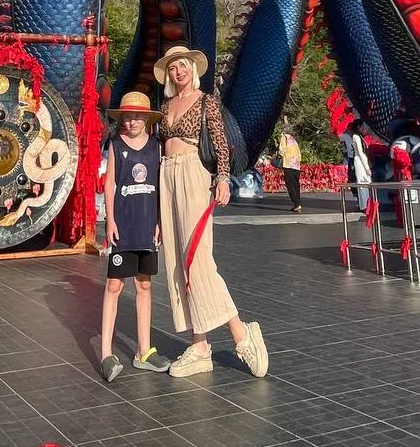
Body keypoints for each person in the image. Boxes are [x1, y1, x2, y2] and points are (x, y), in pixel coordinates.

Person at [154, 44, 268, 378]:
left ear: (193, 68)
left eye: (183, 66)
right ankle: (200, 344)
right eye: (173, 68)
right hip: (167, 174)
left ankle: (240, 332)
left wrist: (222, 178)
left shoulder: (206, 102)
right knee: (176, 261)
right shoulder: (166, 104)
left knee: (197, 258)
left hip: (193, 172)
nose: (179, 72)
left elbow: (220, 144)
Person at [99, 91, 171, 382]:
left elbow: (160, 185)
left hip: (147, 227)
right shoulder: (116, 145)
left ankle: (144, 351)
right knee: (114, 286)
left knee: (144, 285)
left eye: (137, 116)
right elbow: (110, 184)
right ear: (122, 119)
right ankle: (106, 353)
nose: (132, 121)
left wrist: (160, 222)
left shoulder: (156, 147)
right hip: (123, 227)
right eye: (127, 117)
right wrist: (110, 220)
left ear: (147, 119)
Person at [278, 122, 302, 213]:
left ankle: (296, 204)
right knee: (296, 185)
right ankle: (298, 203)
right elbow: (299, 154)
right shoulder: (294, 141)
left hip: (288, 164)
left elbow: (281, 151)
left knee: (290, 185)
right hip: (296, 165)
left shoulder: (284, 138)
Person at [350, 119, 372, 212]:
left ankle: (367, 204)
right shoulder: (356, 136)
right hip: (359, 161)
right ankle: (364, 206)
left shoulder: (360, 137)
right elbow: (360, 152)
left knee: (366, 183)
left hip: (362, 161)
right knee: (362, 183)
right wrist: (367, 167)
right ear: (359, 127)